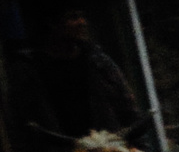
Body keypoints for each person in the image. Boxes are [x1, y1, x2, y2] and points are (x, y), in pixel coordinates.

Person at [18, 9, 140, 140]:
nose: (82, 22)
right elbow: (25, 118)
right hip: (62, 151)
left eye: (82, 17)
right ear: (52, 24)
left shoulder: (98, 61)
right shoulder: (31, 68)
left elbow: (126, 105)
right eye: (73, 17)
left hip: (107, 147)